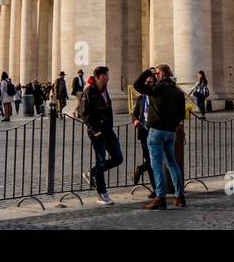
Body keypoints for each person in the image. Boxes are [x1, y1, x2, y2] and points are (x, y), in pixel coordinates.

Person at [132, 65, 187, 209]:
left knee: (155, 164)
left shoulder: (157, 88)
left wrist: (147, 72)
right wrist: (172, 125)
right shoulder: (178, 91)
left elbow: (137, 85)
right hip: (171, 132)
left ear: (161, 74)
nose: (155, 76)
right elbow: (182, 115)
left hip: (156, 131)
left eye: (156, 73)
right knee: (172, 163)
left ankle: (160, 197)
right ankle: (180, 197)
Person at [79, 66, 122, 206]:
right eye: (107, 75)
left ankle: (92, 173)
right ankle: (102, 194)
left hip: (107, 129)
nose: (109, 78)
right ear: (102, 76)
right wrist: (95, 129)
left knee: (118, 158)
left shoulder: (104, 90)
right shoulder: (89, 91)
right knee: (101, 160)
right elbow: (83, 113)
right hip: (97, 131)